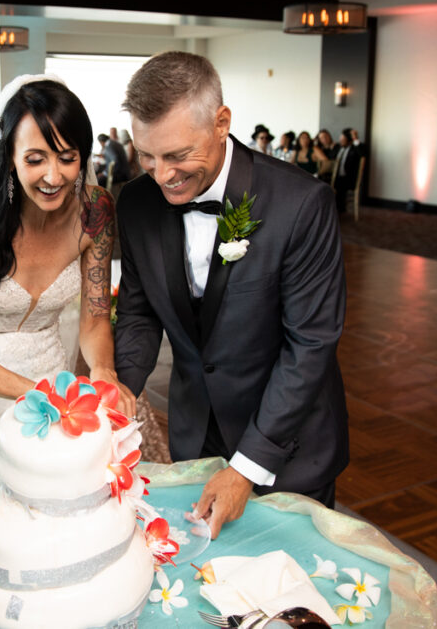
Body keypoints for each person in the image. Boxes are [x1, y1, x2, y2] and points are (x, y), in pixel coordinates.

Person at [115, 52, 348, 539]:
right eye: (147, 156)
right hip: (195, 438)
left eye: (177, 155)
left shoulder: (301, 204)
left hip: (288, 448)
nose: (162, 175)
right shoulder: (137, 203)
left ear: (221, 123)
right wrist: (122, 389)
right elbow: (138, 311)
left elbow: (309, 347)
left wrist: (247, 467)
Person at [0, 75, 134, 476]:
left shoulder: (96, 211)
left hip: (47, 368)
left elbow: (94, 318)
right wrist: (44, 397)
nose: (54, 177)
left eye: (68, 157)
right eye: (36, 159)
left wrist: (103, 368)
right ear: (10, 156)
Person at [331, 128, 364, 214]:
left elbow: (363, 154)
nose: (340, 140)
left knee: (338, 185)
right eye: (340, 138)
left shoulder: (355, 149)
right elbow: (330, 159)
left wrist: (355, 138)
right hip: (334, 176)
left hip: (348, 178)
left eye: (343, 139)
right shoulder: (337, 147)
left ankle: (337, 210)